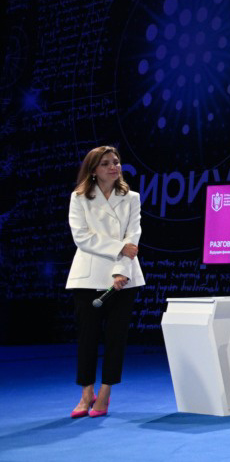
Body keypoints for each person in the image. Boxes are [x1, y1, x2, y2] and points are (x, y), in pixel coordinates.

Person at [66, 145, 145, 419]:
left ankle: (105, 392)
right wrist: (119, 248)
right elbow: (81, 237)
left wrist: (121, 270)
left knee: (116, 338)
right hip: (87, 276)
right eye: (106, 163)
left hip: (125, 276)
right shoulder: (79, 198)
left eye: (116, 162)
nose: (114, 167)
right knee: (87, 338)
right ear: (93, 170)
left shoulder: (131, 198)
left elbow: (133, 235)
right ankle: (86, 392)